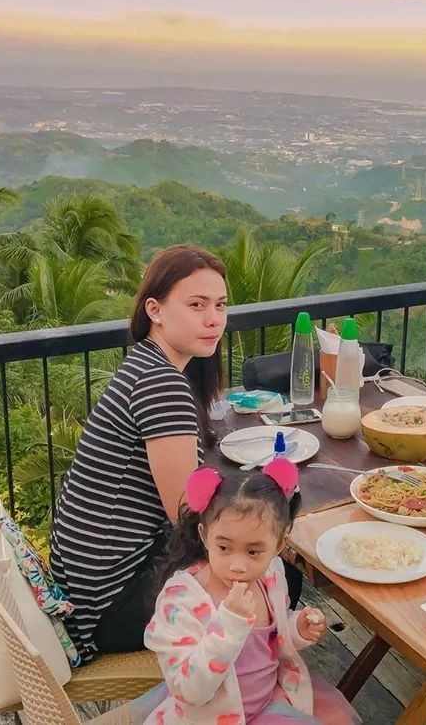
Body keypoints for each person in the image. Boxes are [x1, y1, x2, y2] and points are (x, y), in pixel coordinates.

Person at [52, 244, 301, 661]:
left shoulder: (144, 365)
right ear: (156, 310)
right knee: (281, 577)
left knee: (256, 555)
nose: (213, 319)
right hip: (107, 605)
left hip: (83, 586)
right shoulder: (163, 385)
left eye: (220, 305)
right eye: (196, 304)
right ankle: (240, 692)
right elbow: (186, 515)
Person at [130, 461, 359, 725]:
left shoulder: (270, 575)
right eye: (224, 548)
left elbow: (269, 639)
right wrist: (228, 626)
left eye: (253, 552)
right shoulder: (182, 601)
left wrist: (297, 627)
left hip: (268, 704)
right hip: (209, 718)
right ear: (205, 536)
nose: (238, 566)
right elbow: (189, 691)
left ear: (280, 543)